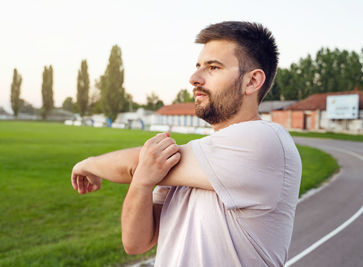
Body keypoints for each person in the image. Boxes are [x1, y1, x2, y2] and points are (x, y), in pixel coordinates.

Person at [71, 21, 302, 266]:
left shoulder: (264, 141)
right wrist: (141, 182)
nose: (194, 78)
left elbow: (133, 163)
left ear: (252, 81)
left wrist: (87, 164)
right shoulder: (197, 163)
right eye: (198, 67)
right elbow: (136, 243)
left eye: (213, 67)